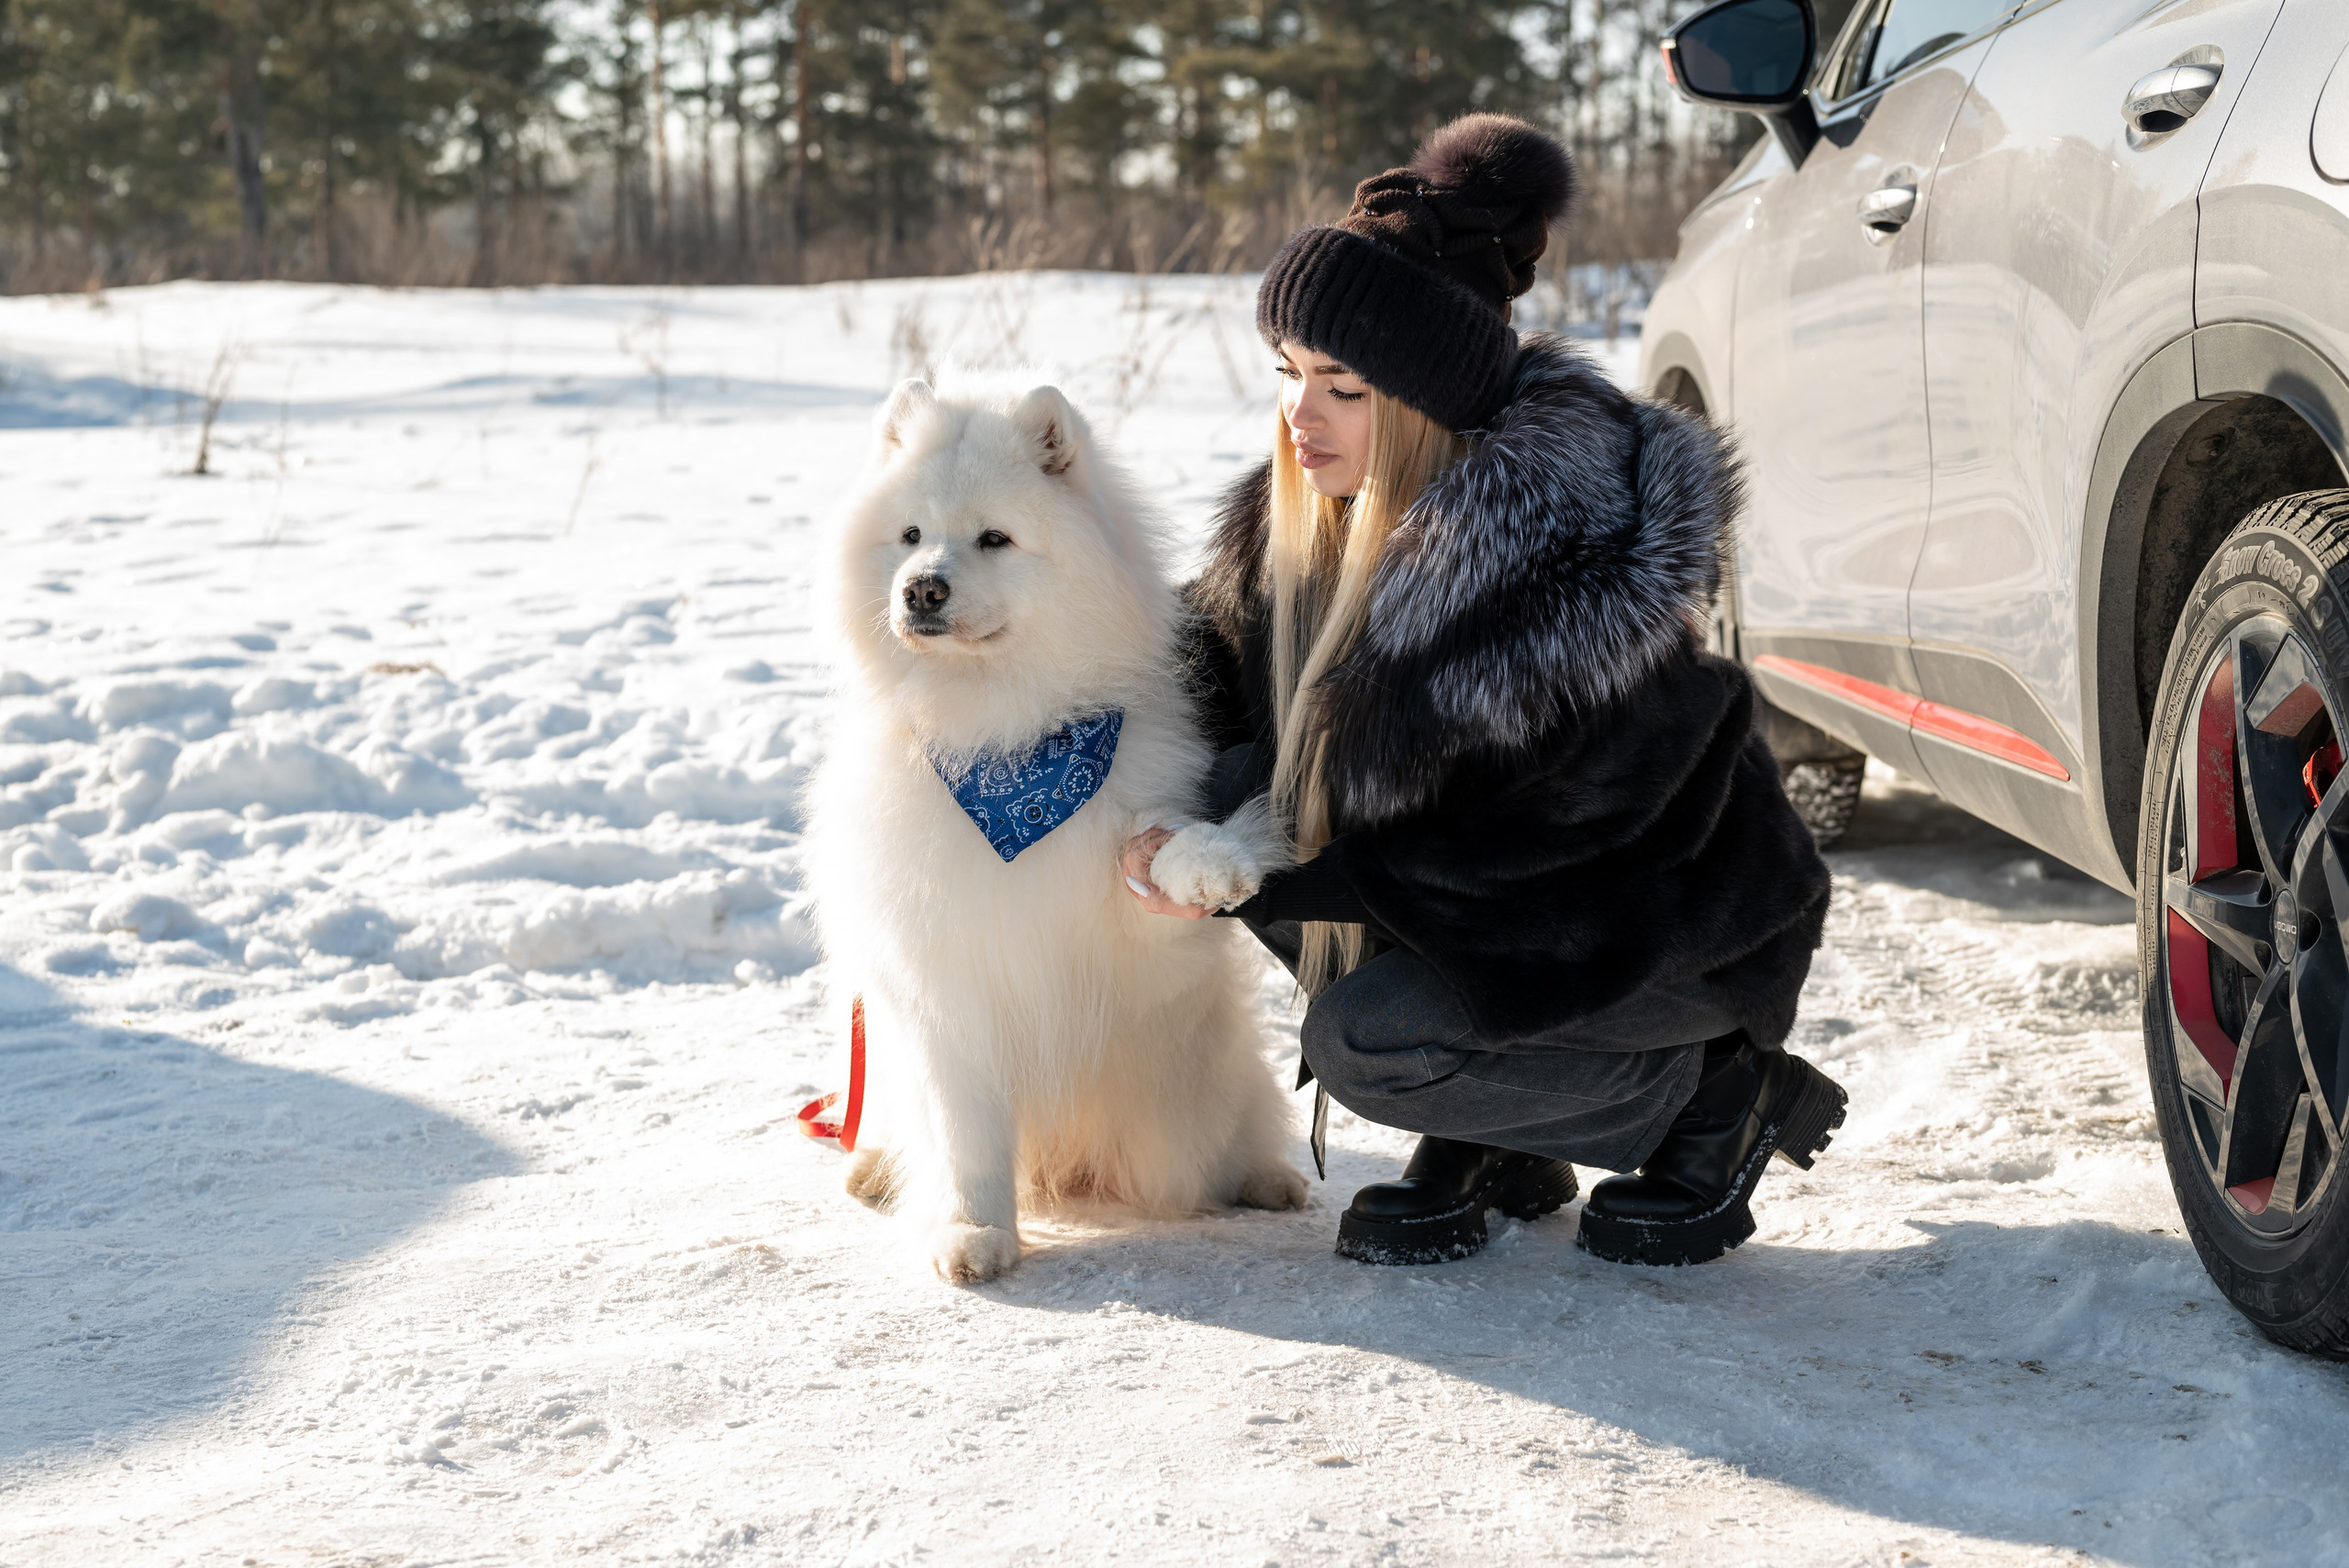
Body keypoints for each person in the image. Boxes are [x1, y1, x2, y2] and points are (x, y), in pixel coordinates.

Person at [1118, 114, 1843, 1269]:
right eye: (1290, 374)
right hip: (1503, 932)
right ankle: (1491, 1127)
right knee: (1235, 787)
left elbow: (1519, 863)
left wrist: (1249, 850)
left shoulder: (1556, 573)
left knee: (1366, 1036)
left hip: (1656, 933)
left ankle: (1716, 1095)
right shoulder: (1312, 518)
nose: (1301, 415)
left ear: (1427, 402)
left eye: (1344, 386)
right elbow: (1198, 671)